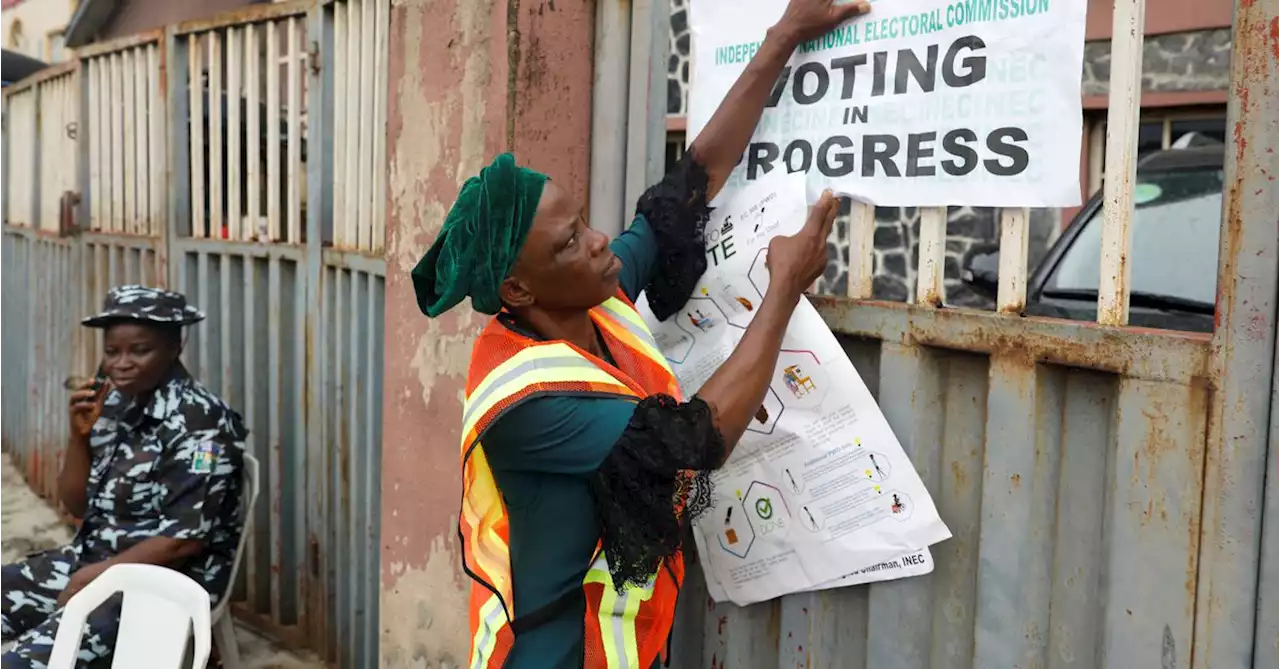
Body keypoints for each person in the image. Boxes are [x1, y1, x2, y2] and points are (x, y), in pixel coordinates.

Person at [410, 1, 872, 666]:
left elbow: (684, 191)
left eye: (585, 223)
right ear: (518, 290)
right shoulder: (525, 398)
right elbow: (694, 439)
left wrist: (785, 37)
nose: (601, 242)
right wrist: (783, 287)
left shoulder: (591, 298)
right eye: (572, 241)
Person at [0, 285, 248, 669]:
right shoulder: (116, 404)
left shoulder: (202, 422)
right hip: (94, 562)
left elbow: (180, 544)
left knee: (20, 663)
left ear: (174, 348)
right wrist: (79, 437)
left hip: (158, 586)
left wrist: (91, 581)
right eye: (112, 351)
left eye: (140, 350)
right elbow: (76, 504)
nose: (121, 364)